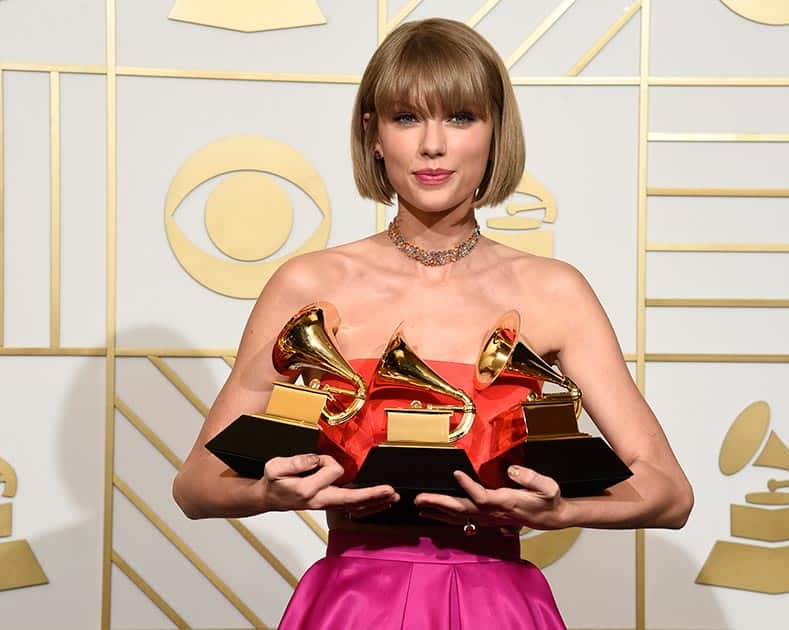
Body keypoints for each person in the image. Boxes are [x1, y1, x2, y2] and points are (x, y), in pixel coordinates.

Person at [173, 17, 693, 630]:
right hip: (351, 605)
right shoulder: (308, 285)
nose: (432, 146)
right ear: (373, 134)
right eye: (406, 118)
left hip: (496, 605)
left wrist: (564, 510)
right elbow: (196, 484)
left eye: (461, 118)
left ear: (496, 132)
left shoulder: (554, 292)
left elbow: (670, 492)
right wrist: (266, 493)